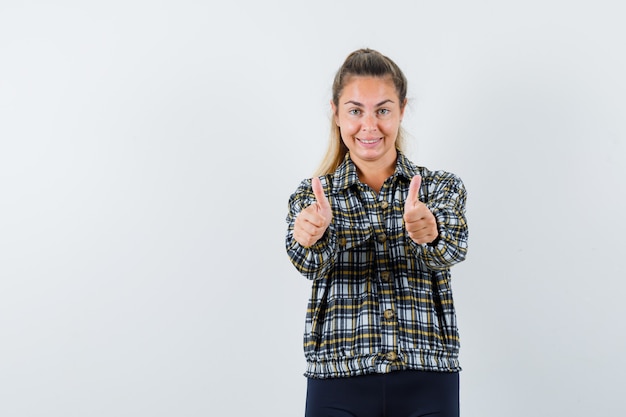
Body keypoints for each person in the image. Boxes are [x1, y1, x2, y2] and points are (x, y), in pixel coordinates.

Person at [285, 48, 469, 417]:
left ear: (401, 110)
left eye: (382, 110)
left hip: (427, 375)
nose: (369, 126)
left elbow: (452, 249)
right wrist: (309, 237)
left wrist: (429, 232)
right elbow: (308, 262)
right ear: (336, 114)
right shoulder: (312, 195)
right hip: (337, 376)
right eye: (355, 110)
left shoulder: (441, 188)